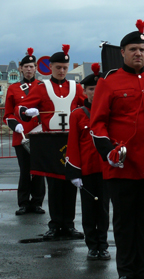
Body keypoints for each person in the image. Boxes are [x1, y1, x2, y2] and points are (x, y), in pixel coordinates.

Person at [90, 19, 144, 279]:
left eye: (142, 49)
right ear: (123, 53)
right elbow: (97, 123)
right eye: (133, 49)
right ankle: (127, 271)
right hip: (123, 166)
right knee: (125, 223)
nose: (138, 53)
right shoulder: (110, 81)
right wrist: (108, 151)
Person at [17, 44, 85, 240]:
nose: (62, 71)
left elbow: (86, 108)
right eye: (58, 67)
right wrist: (26, 112)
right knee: (54, 184)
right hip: (51, 141)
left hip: (71, 141)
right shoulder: (42, 87)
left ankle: (69, 224)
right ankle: (55, 225)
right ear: (51, 67)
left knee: (71, 182)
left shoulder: (76, 87)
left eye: (65, 67)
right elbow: (22, 107)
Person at [65, 63, 111, 261]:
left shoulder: (110, 113)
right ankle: (92, 246)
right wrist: (74, 172)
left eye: (98, 88)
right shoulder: (77, 115)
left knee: (104, 209)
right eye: (91, 89)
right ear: (84, 91)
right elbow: (72, 145)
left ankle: (104, 244)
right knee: (89, 210)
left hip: (107, 169)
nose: (94, 92)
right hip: (87, 171)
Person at [3, 48, 45, 216]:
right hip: (21, 136)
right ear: (20, 68)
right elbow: (7, 114)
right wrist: (15, 125)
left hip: (39, 135)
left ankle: (37, 202)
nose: (29, 69)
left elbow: (48, 110)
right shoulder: (13, 88)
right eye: (26, 66)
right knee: (24, 170)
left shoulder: (42, 86)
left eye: (32, 66)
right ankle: (23, 203)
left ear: (36, 68)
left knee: (39, 170)